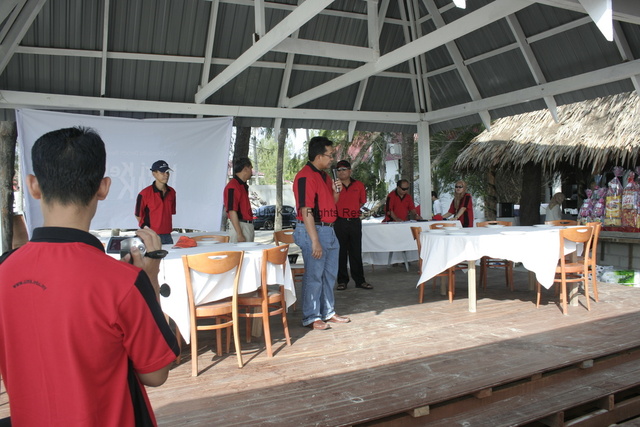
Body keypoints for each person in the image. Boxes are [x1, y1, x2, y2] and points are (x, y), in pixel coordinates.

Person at [0, 127, 179, 426]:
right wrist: (149, 278)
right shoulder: (123, 281)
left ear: (33, 186)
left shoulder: (4, 272)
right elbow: (155, 374)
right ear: (103, 188)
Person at [293, 136, 351, 330]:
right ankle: (311, 316)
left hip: (329, 229)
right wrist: (314, 240)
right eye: (330, 155)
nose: (332, 159)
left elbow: (331, 203)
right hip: (313, 230)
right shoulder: (305, 176)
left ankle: (328, 311)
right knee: (314, 275)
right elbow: (306, 210)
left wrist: (336, 191)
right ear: (318, 156)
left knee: (329, 274)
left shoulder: (325, 176)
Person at [334, 160, 372, 291]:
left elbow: (362, 201)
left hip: (354, 221)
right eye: (339, 170)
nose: (341, 172)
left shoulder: (359, 185)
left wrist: (352, 209)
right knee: (341, 252)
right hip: (339, 221)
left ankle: (360, 281)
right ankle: (342, 281)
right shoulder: (334, 186)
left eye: (344, 169)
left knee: (356, 251)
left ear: (350, 171)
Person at [135, 160, 176, 245]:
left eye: (167, 172)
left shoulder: (172, 192)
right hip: (151, 235)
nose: (166, 175)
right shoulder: (144, 194)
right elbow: (138, 214)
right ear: (154, 174)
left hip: (168, 235)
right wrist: (146, 228)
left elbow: (170, 212)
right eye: (162, 172)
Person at [224, 157, 255, 243]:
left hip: (246, 225)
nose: (251, 171)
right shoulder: (233, 186)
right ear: (245, 169)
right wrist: (239, 234)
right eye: (250, 168)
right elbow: (232, 211)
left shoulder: (241, 185)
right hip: (240, 226)